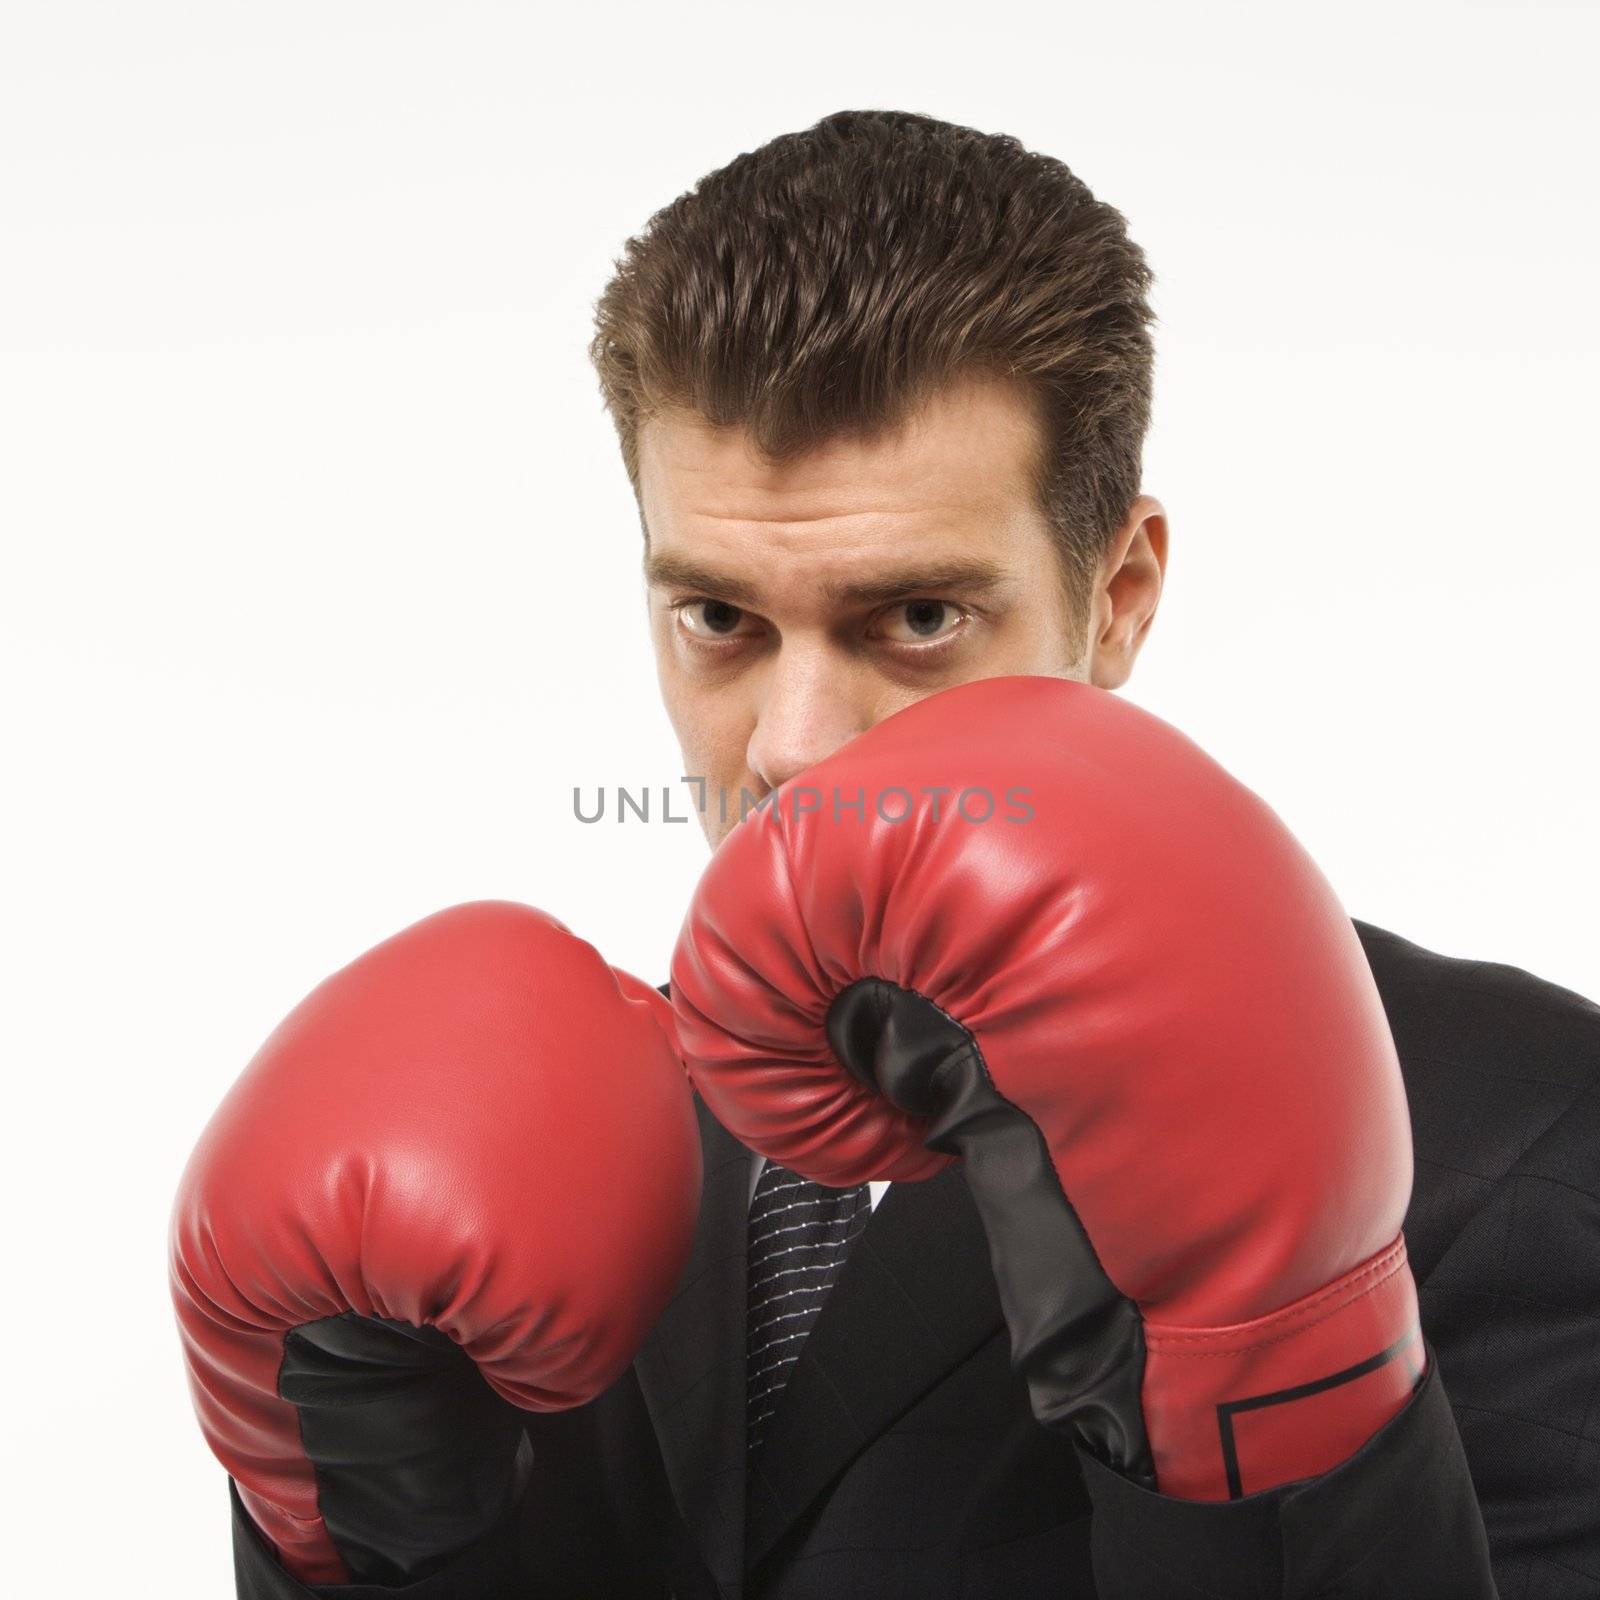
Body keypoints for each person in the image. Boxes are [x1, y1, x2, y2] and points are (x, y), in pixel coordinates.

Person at [176, 109, 1598, 1599]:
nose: (793, 744)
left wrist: (1272, 1394)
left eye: (915, 619)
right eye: (721, 618)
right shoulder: (544, 1145)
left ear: (1117, 596)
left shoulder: (1534, 1143)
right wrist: (371, 1540)